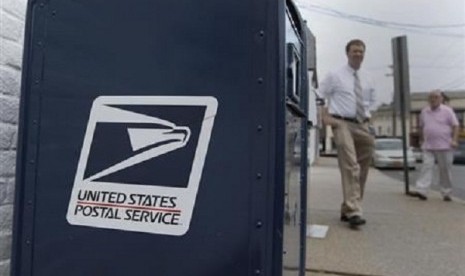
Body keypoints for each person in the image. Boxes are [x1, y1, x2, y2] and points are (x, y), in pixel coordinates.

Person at [318, 39, 376, 229]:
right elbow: (320, 95)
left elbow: (372, 101)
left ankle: (347, 207)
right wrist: (324, 116)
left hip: (363, 125)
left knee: (363, 167)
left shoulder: (367, 77)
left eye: (361, 51)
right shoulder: (335, 75)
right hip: (342, 122)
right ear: (347, 53)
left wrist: (369, 118)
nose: (358, 54)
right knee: (351, 165)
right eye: (354, 51)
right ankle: (354, 211)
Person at [414, 90, 459, 201]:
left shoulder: (447, 111)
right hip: (428, 145)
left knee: (445, 170)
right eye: (431, 97)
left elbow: (455, 126)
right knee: (426, 166)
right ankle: (422, 190)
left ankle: (446, 192)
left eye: (436, 97)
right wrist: (421, 140)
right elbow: (421, 127)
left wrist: (454, 140)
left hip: (444, 145)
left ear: (441, 99)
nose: (433, 99)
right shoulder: (425, 111)